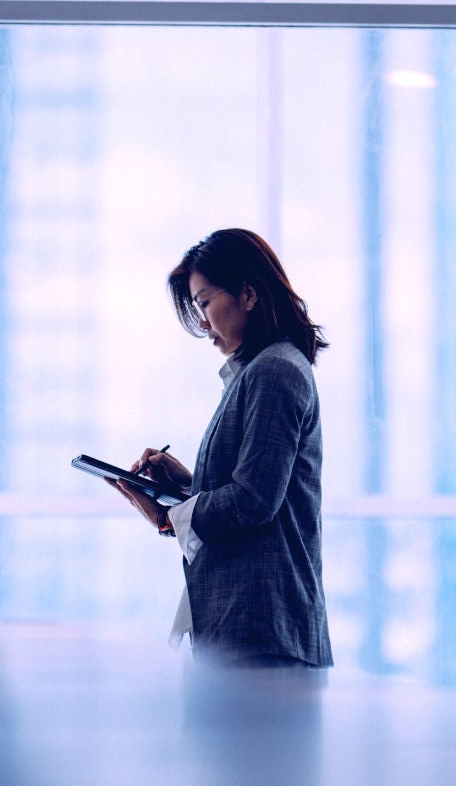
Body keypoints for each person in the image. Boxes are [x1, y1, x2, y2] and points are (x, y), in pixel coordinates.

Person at [109, 228, 332, 668]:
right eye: (196, 307)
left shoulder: (273, 372)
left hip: (264, 631)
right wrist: (188, 484)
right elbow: (261, 489)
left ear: (248, 295)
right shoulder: (261, 372)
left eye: (205, 302)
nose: (202, 322)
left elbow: (254, 501)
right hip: (256, 630)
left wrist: (169, 517)